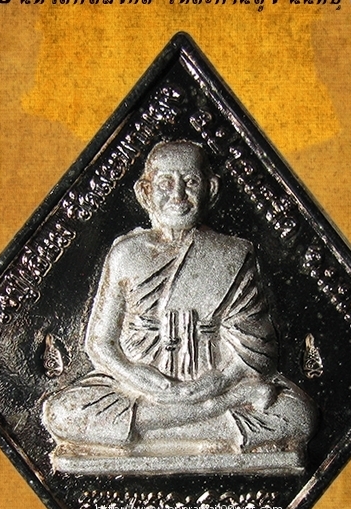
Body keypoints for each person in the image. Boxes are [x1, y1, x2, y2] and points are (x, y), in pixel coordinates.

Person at [42, 140, 316, 459]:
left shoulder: (233, 254)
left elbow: (255, 352)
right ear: (145, 192)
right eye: (165, 183)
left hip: (216, 383)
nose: (178, 196)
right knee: (63, 413)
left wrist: (210, 386)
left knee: (298, 415)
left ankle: (148, 431)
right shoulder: (125, 254)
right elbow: (100, 344)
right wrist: (141, 378)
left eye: (191, 182)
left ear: (211, 190)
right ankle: (209, 420)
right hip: (141, 389)